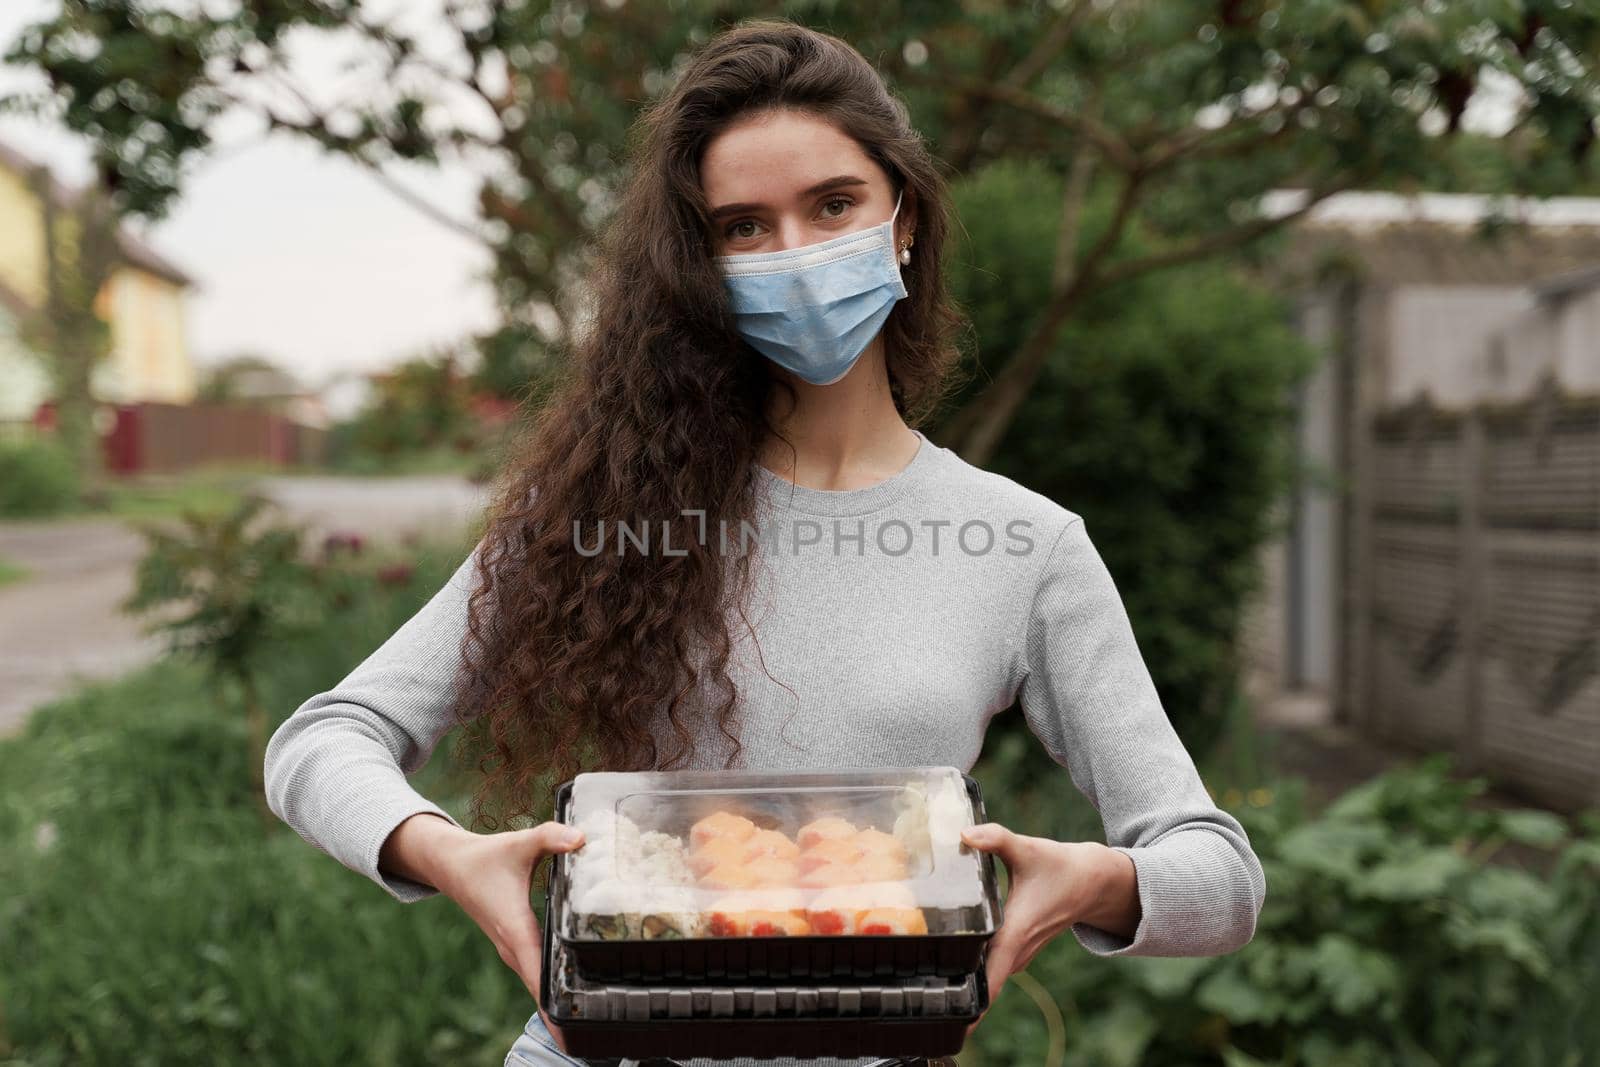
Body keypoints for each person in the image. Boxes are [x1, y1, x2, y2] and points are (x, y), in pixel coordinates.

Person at [263, 18, 1266, 1067]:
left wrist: (1102, 881)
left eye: (833, 205)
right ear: (701, 263)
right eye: (744, 227)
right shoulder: (605, 511)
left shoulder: (1025, 546)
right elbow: (322, 739)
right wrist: (449, 852)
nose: (795, 254)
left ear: (904, 217)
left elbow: (1221, 876)